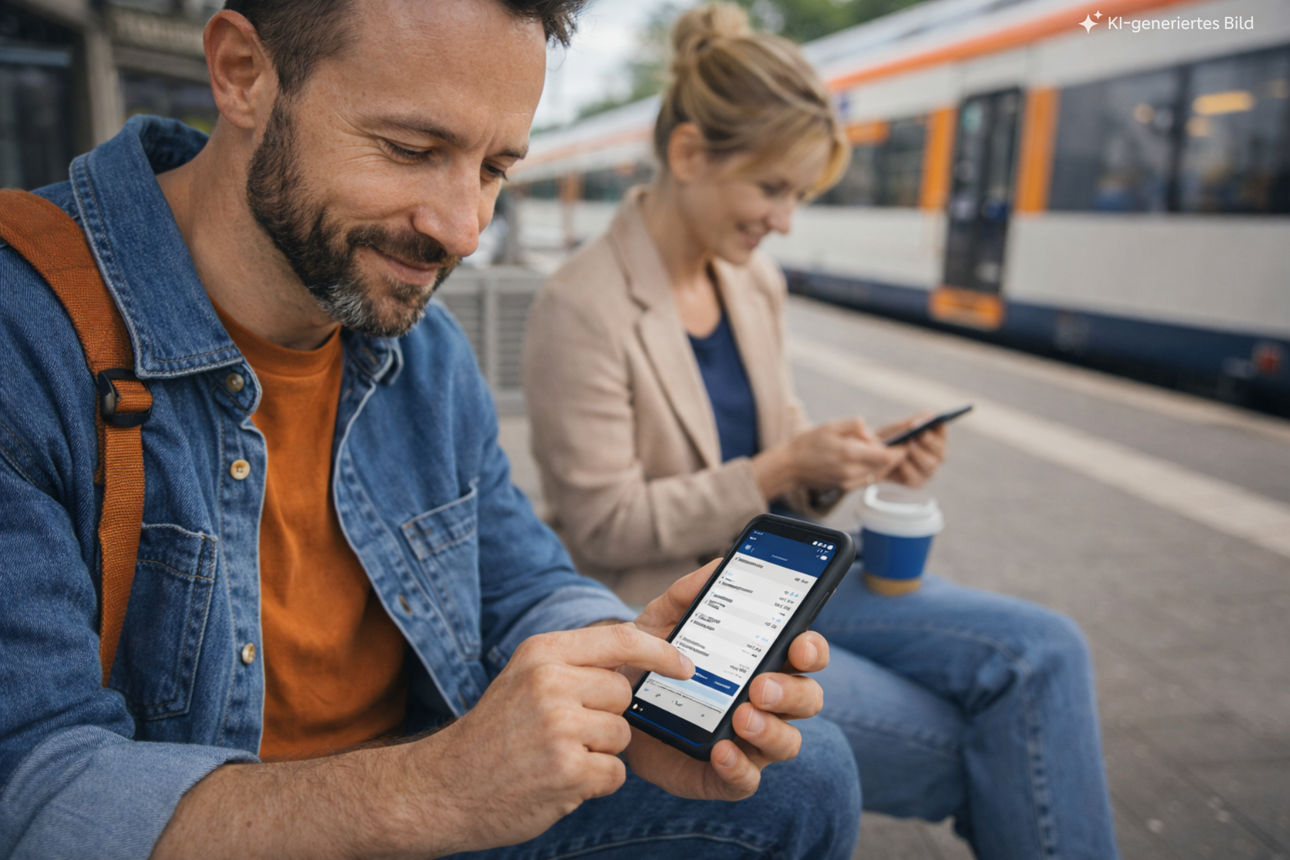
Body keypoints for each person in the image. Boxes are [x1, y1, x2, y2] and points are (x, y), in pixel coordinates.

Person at [0, 1, 865, 857]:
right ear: (243, 73)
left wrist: (623, 671)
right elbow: (35, 786)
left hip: (431, 789)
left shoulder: (420, 343)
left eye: (494, 168)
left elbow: (520, 579)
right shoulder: (26, 335)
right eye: (412, 150)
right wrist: (435, 788)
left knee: (806, 770)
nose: (462, 230)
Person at [523, 5, 1120, 858]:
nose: (787, 219)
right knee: (999, 740)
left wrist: (847, 461)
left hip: (788, 577)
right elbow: (602, 525)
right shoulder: (580, 304)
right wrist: (774, 470)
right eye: (774, 188)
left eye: (800, 195)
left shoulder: (753, 281)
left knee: (1047, 651)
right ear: (689, 156)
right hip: (683, 613)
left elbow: (783, 452)